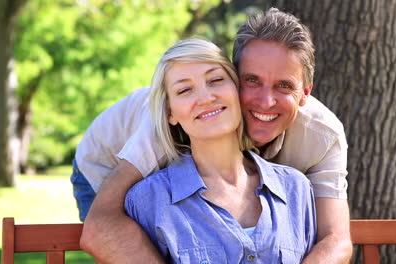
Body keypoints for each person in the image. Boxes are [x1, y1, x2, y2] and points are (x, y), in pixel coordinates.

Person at [79, 7, 352, 263]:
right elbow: (101, 227)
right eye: (252, 80)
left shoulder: (321, 137)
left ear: (305, 93)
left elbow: (336, 239)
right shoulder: (175, 118)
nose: (266, 102)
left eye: (283, 86)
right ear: (235, 77)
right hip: (104, 163)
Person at [123, 38, 317, 262]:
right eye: (185, 90)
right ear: (170, 113)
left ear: (237, 89)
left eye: (215, 80)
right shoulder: (148, 199)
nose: (206, 98)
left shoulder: (295, 188)